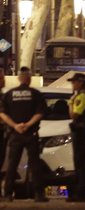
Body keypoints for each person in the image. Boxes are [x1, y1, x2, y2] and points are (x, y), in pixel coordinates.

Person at [0, 67, 48, 202]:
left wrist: (15, 126)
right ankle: (39, 194)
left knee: (12, 164)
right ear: (29, 78)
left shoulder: (9, 94)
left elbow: (2, 113)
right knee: (35, 164)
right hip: (31, 133)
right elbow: (40, 113)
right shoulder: (35, 94)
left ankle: (8, 194)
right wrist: (27, 125)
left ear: (19, 78)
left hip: (15, 134)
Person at [67, 73, 85, 202]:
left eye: (74, 82)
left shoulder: (81, 97)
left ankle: (81, 192)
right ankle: (79, 191)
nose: (72, 84)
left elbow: (74, 115)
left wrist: (71, 103)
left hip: (80, 130)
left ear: (80, 83)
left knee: (80, 162)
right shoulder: (82, 95)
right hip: (80, 130)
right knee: (79, 161)